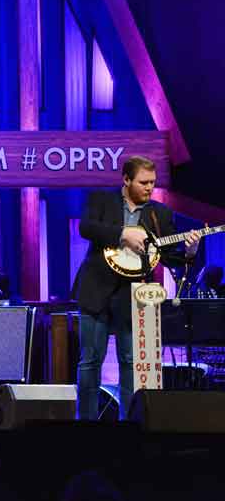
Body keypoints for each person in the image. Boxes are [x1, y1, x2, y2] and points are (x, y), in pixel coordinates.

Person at [73, 155, 200, 419]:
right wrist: (123, 233)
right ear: (126, 179)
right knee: (89, 362)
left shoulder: (159, 213)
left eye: (152, 183)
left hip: (134, 297)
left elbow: (168, 256)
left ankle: (129, 429)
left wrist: (189, 251)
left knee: (131, 363)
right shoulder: (101, 200)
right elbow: (86, 227)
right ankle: (83, 428)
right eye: (143, 182)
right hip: (96, 290)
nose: (149, 188)